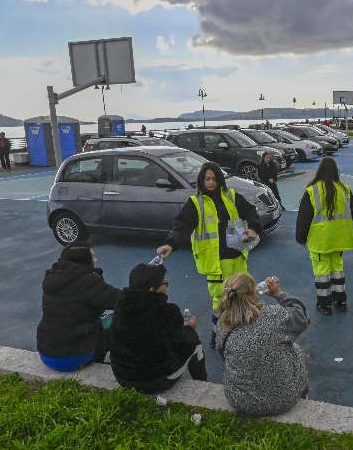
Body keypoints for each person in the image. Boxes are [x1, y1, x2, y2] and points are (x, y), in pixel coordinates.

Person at [156, 162, 262, 348]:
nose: (210, 182)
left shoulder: (232, 196)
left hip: (237, 256)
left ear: (219, 179)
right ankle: (218, 337)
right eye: (207, 179)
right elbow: (182, 227)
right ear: (201, 180)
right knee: (220, 302)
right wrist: (170, 244)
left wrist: (253, 228)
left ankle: (240, 335)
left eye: (213, 178)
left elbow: (251, 211)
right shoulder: (195, 203)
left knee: (242, 296)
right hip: (216, 262)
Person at [216, 273, 309, 416]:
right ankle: (302, 394)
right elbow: (301, 317)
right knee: (294, 349)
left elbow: (223, 355)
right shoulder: (273, 316)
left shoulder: (222, 323)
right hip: (281, 400)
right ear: (254, 292)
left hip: (240, 400)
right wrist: (279, 294)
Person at [110, 263, 207, 394]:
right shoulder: (167, 311)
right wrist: (190, 328)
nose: (167, 287)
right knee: (193, 339)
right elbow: (178, 338)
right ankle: (202, 384)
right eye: (165, 283)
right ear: (151, 289)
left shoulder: (121, 305)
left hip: (122, 376)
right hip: (153, 382)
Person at [36, 243, 122, 372]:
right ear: (84, 260)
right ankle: (104, 361)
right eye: (92, 256)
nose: (96, 260)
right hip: (73, 357)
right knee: (118, 321)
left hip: (47, 353)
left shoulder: (51, 278)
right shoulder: (88, 281)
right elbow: (121, 300)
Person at [296, 157, 353, 315]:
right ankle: (340, 300)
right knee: (337, 268)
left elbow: (304, 218)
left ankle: (324, 304)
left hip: (320, 240)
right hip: (340, 238)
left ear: (319, 171)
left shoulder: (312, 191)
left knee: (322, 272)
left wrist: (301, 238)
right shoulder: (345, 189)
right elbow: (352, 210)